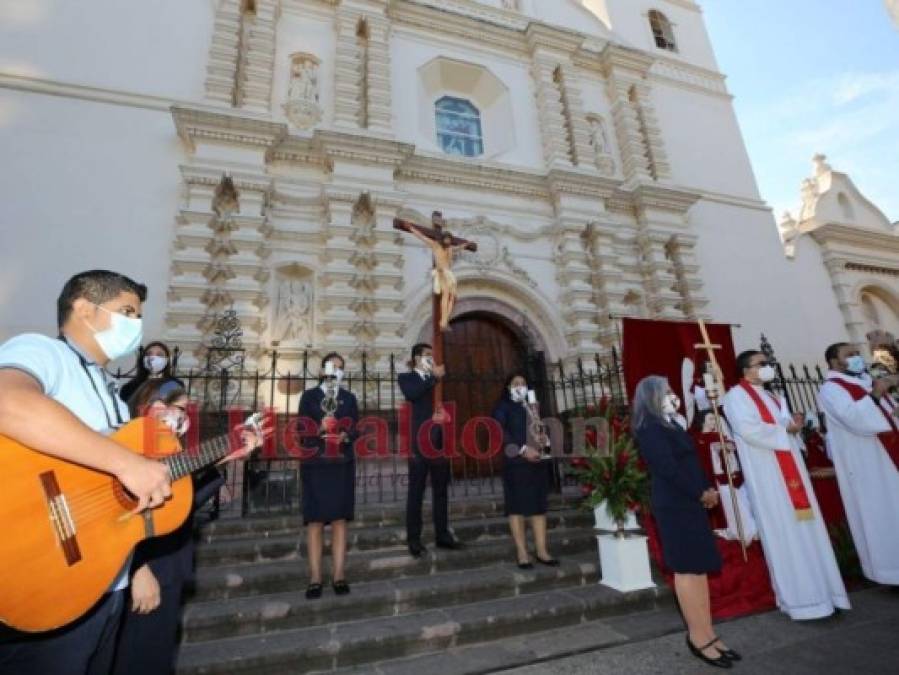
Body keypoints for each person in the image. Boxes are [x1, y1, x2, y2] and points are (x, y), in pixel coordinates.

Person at [0, 270, 172, 675]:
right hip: (49, 581)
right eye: (126, 311)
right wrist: (127, 462)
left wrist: (136, 566)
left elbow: (109, 491)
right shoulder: (43, 352)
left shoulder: (110, 392)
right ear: (83, 309)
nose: (136, 325)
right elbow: (8, 403)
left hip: (102, 583)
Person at [113, 379, 236, 675]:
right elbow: (119, 517)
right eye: (181, 409)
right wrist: (138, 570)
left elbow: (178, 504)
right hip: (148, 571)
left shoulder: (166, 447)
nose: (185, 417)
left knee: (157, 656)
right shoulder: (128, 451)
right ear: (156, 408)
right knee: (138, 658)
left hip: (171, 566)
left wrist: (225, 458)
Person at [722, 350, 849, 621]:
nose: (768, 368)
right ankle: (803, 601)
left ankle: (826, 594)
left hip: (791, 470)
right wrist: (785, 431)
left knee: (808, 530)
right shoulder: (735, 396)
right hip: (767, 473)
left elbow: (784, 428)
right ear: (747, 370)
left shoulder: (772, 396)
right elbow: (747, 429)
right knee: (784, 531)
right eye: (762, 364)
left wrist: (793, 426)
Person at [632, 375, 738, 669]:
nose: (672, 394)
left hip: (692, 499)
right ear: (651, 396)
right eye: (666, 391)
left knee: (699, 568)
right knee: (686, 569)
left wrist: (708, 489)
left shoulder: (671, 423)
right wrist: (698, 492)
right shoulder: (649, 427)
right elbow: (666, 467)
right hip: (675, 502)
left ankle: (709, 632)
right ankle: (697, 637)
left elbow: (691, 461)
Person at [818, 342, 899, 585]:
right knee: (883, 515)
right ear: (834, 362)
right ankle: (890, 573)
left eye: (857, 353)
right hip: (869, 462)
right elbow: (854, 419)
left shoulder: (865, 381)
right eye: (849, 355)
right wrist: (877, 393)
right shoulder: (831, 389)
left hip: (891, 455)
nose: (856, 358)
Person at [297, 353, 359, 599]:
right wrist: (319, 428)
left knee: (339, 520)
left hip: (341, 463)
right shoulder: (309, 396)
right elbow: (301, 428)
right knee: (314, 521)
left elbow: (356, 427)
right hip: (315, 462)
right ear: (321, 371)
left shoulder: (348, 398)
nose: (336, 371)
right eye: (332, 367)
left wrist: (346, 435)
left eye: (341, 368)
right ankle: (315, 577)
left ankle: (339, 575)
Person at [399, 343, 462, 558]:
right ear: (416, 358)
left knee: (441, 491)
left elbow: (448, 405)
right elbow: (412, 394)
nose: (431, 358)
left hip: (440, 442)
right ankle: (414, 539)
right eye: (427, 355)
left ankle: (442, 534)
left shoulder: (440, 380)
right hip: (418, 442)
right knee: (416, 492)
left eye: (432, 355)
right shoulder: (407, 378)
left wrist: (448, 417)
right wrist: (433, 377)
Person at [491, 374, 557, 569]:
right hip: (516, 463)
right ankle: (522, 553)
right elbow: (498, 430)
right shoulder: (503, 406)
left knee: (539, 506)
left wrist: (545, 440)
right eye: (515, 384)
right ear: (508, 387)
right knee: (517, 507)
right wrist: (521, 449)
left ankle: (542, 551)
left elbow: (543, 429)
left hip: (537, 462)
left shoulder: (533, 406)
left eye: (523, 384)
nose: (520, 387)